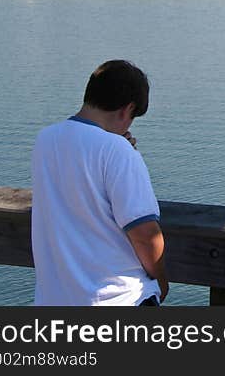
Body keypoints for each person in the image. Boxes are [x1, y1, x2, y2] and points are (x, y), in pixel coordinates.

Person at [30, 59, 169, 306]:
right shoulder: (118, 151)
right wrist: (161, 282)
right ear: (127, 110)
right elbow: (145, 234)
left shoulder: (45, 140)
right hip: (119, 299)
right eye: (132, 117)